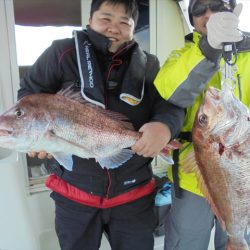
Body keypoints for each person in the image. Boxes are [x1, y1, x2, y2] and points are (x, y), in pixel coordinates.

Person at [17, 0, 184, 249]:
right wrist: (34, 134)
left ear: (133, 28)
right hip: (74, 193)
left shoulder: (149, 64)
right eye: (105, 18)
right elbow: (30, 95)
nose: (113, 28)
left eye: (123, 22)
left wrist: (164, 126)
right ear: (90, 20)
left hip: (134, 194)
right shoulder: (61, 53)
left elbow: (169, 104)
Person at [154, 0, 250, 249]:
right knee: (186, 242)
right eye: (199, 10)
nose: (208, 14)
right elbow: (170, 91)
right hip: (191, 177)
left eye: (217, 5)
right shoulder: (181, 55)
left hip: (243, 176)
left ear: (231, 8)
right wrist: (209, 49)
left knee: (237, 235)